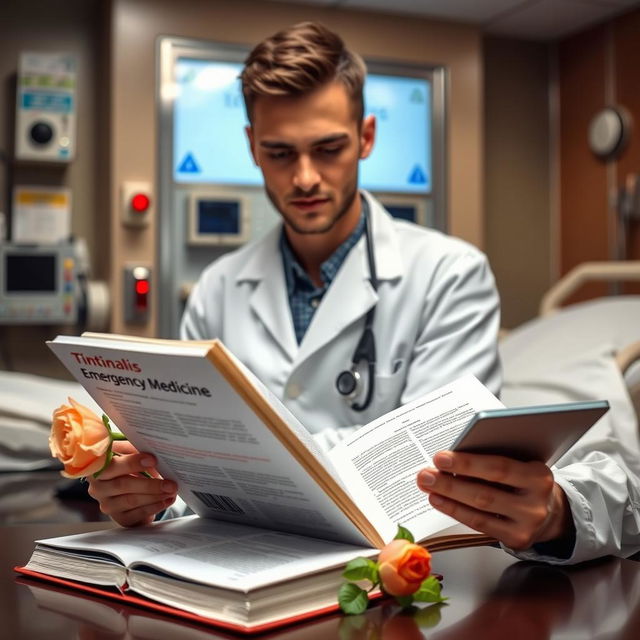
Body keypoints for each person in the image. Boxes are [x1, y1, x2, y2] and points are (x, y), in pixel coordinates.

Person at [87, 21, 640, 564]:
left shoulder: (449, 273)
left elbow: (428, 470)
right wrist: (146, 498)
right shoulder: (217, 289)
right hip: (244, 571)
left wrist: (249, 467)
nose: (305, 178)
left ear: (366, 137)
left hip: (391, 579)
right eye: (280, 153)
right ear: (252, 147)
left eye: (328, 148)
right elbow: (195, 480)